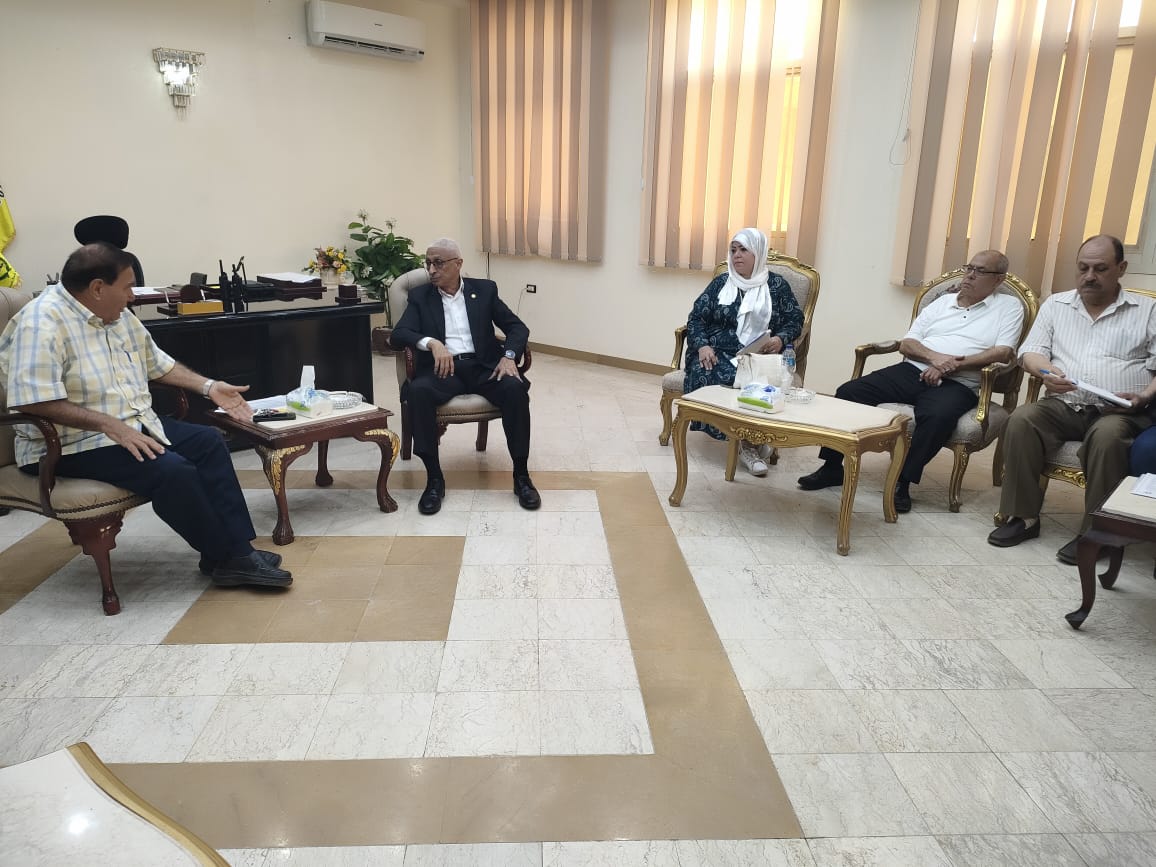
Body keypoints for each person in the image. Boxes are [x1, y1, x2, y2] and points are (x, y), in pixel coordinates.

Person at [0, 243, 291, 587]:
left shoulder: (117, 315)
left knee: (209, 442)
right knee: (172, 471)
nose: (132, 296)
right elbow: (33, 401)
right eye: (127, 287)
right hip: (70, 443)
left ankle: (235, 551)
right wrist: (109, 425)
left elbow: (158, 364)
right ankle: (228, 556)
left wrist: (209, 386)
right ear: (97, 288)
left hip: (129, 424)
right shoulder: (41, 323)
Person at [797, 250, 1023, 512]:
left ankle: (902, 482)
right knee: (849, 392)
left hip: (961, 382)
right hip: (914, 370)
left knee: (937, 417)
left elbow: (1003, 352)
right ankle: (832, 467)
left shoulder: (1009, 307)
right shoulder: (942, 302)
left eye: (980, 271)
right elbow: (908, 344)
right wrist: (935, 359)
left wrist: (952, 365)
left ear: (998, 279)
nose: (970, 275)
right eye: (969, 267)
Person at [987, 234, 1156, 563]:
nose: (1089, 276)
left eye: (1100, 269)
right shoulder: (1057, 304)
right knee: (1021, 420)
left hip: (1119, 411)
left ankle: (1098, 533)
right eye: (1083, 268)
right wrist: (1047, 372)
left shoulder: (1147, 310)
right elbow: (1030, 352)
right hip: (1065, 404)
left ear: (1121, 268)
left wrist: (1142, 397)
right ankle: (1023, 517)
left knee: (1107, 438)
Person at [390, 238, 537, 515]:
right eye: (428, 263)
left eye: (438, 263)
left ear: (458, 264)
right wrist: (432, 343)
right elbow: (399, 334)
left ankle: (522, 477)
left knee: (514, 389)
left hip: (484, 367)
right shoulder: (421, 296)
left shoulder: (485, 290)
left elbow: (517, 327)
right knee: (419, 391)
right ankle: (434, 480)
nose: (431, 270)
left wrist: (508, 357)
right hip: (444, 371)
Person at [683, 227, 804, 476]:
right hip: (716, 351)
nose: (737, 255)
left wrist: (780, 339)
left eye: (743, 250)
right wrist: (702, 345)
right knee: (716, 374)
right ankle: (746, 443)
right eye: (733, 250)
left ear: (758, 253)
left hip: (759, 355)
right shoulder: (721, 283)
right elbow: (696, 318)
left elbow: (795, 320)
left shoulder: (777, 286)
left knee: (755, 380)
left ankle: (750, 441)